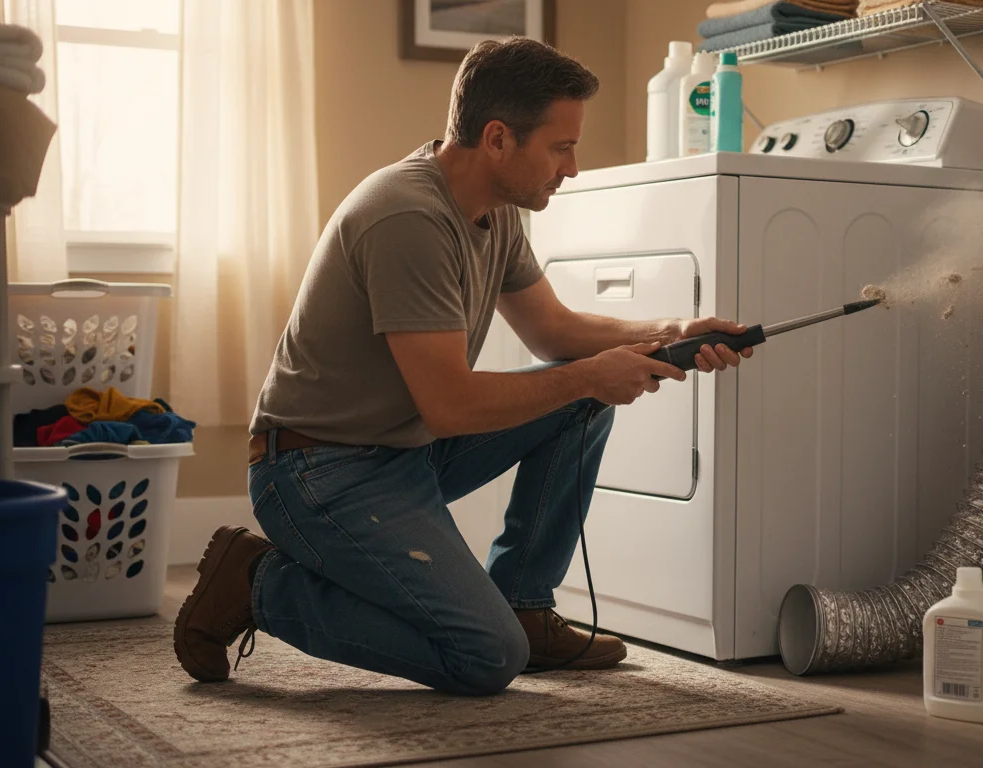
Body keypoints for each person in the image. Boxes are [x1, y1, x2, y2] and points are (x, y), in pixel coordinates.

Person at [172, 37, 752, 696]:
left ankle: (525, 607)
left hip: (402, 451)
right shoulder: (407, 217)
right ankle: (256, 583)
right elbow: (450, 405)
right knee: (483, 656)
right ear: (499, 139)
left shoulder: (493, 212)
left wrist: (674, 332)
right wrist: (594, 375)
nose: (573, 168)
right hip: (316, 470)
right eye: (561, 147)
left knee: (580, 403)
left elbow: (555, 331)